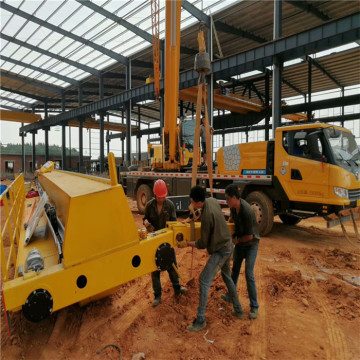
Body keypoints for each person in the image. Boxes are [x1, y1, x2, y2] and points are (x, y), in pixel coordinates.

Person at [186, 186, 243, 332]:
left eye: (192, 202)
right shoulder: (211, 200)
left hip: (221, 250)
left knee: (204, 280)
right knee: (227, 277)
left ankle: (200, 320)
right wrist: (196, 213)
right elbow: (206, 212)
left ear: (198, 202)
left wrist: (186, 243)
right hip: (228, 244)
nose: (192, 204)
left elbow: (203, 243)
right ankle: (238, 309)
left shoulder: (206, 217)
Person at [143, 179, 187, 307]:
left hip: (167, 241)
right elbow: (145, 218)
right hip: (153, 241)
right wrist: (145, 222)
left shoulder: (170, 206)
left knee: (172, 265)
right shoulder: (149, 206)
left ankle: (177, 288)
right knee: (155, 268)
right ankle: (157, 295)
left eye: (163, 196)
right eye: (159, 197)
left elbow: (174, 222)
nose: (161, 199)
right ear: (155, 194)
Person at [221, 184, 260, 320]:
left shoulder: (247, 211)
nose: (226, 202)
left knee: (249, 274)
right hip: (240, 243)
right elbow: (232, 221)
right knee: (235, 271)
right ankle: (231, 296)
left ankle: (254, 306)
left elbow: (249, 236)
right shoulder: (233, 209)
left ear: (233, 198)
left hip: (250, 245)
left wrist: (236, 241)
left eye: (227, 199)